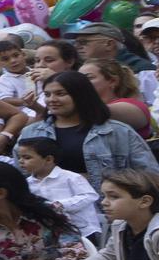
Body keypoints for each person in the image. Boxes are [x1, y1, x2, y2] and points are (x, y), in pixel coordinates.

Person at [17, 70, 159, 191]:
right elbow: (19, 175)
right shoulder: (31, 132)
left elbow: (149, 174)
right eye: (47, 95)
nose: (52, 100)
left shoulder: (117, 132)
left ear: (80, 95)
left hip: (105, 210)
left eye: (60, 94)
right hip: (49, 211)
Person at [14, 135, 104, 242]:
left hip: (81, 231)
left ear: (48, 159)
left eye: (27, 157)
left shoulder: (70, 177)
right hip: (49, 233)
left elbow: (90, 196)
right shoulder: (27, 184)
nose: (21, 161)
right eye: (19, 157)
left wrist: (59, 205)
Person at [80, 58, 154, 139]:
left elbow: (99, 112)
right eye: (78, 79)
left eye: (89, 78)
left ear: (113, 81)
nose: (79, 83)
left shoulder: (133, 105)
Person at [72, 18, 155, 74]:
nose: (77, 46)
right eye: (75, 42)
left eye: (83, 42)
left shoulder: (143, 70)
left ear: (109, 44)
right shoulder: (83, 69)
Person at [0, 38, 36, 108]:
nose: (13, 61)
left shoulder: (37, 72)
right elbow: (5, 100)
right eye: (5, 59)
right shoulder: (2, 82)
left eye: (16, 55)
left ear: (23, 54)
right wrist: (25, 101)